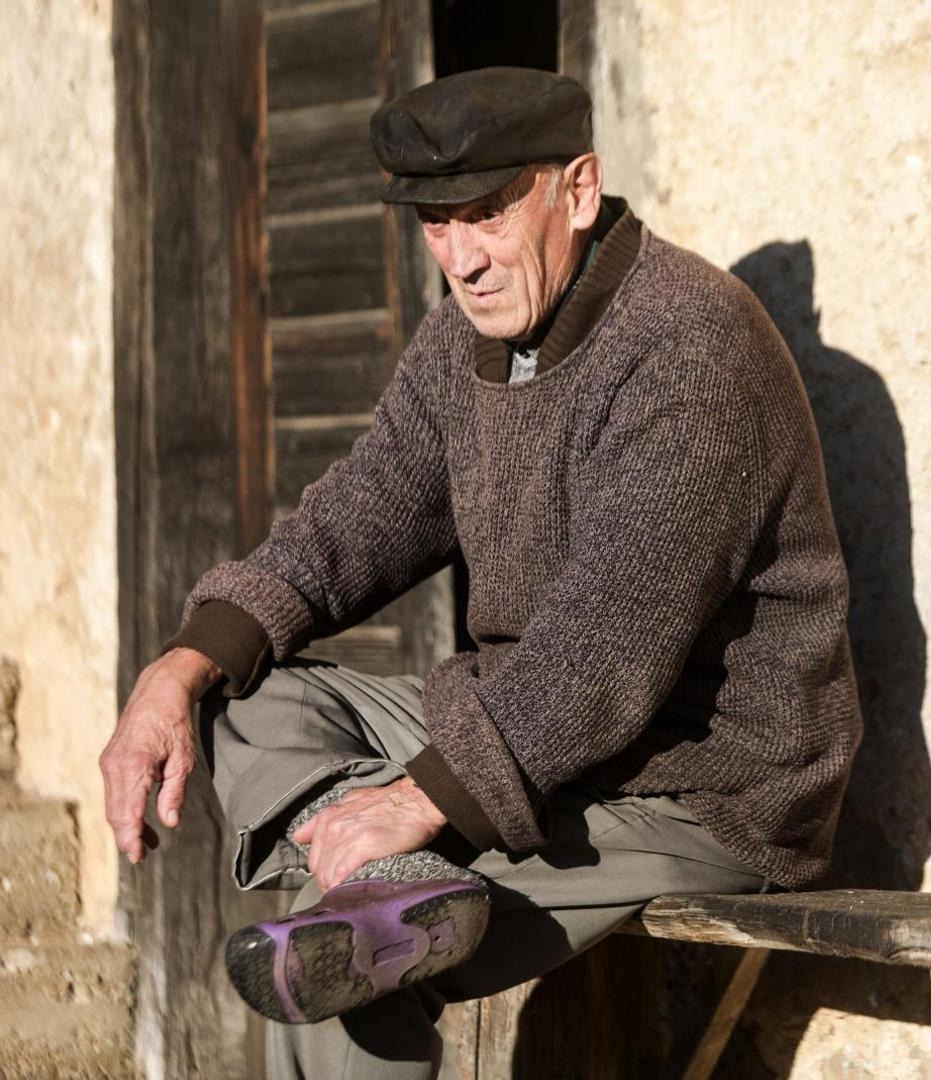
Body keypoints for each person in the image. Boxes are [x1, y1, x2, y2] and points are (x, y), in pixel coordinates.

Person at [97, 66, 860, 1078]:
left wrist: (416, 802)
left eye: (487, 214)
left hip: (693, 786)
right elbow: (361, 512)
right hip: (529, 733)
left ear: (576, 191)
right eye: (434, 223)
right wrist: (179, 666)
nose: (461, 258)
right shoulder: (464, 333)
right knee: (241, 697)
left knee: (337, 963)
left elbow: (607, 646)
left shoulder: (692, 344)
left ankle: (392, 889)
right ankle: (403, 884)